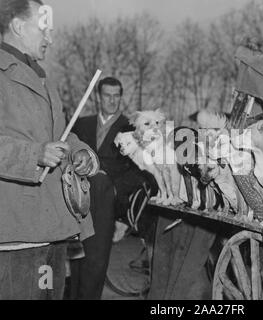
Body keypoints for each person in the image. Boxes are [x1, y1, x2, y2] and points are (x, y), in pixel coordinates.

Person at [0, 0, 99, 300]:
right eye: (44, 29)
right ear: (18, 26)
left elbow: (61, 136)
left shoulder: (43, 78)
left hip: (53, 231)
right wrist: (34, 155)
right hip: (16, 235)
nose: (51, 38)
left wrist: (81, 155)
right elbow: (39, 147)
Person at [70, 77, 155, 299]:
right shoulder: (81, 124)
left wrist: (121, 213)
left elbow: (139, 173)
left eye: (116, 95)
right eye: (107, 95)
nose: (112, 100)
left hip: (108, 205)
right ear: (98, 97)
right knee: (73, 260)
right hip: (77, 203)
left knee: (96, 263)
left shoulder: (130, 128)